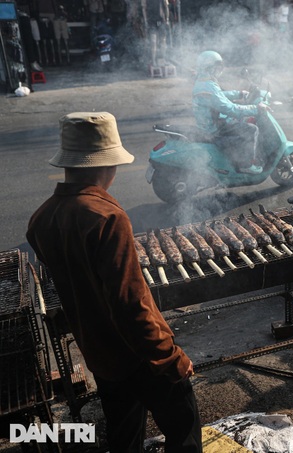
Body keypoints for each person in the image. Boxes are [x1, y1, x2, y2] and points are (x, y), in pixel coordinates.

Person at [26, 112, 202, 452]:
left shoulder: (40, 220)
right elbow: (129, 303)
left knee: (124, 435)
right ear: (105, 166)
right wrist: (169, 358)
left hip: (99, 354)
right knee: (184, 428)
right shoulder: (106, 216)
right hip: (139, 354)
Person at [192, 50, 267, 175]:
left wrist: (238, 94)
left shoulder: (203, 81)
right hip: (213, 128)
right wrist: (255, 108)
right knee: (251, 129)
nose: (219, 70)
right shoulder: (208, 85)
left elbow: (218, 96)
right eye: (216, 67)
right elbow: (230, 109)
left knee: (238, 122)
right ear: (209, 67)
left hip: (207, 123)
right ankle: (246, 165)